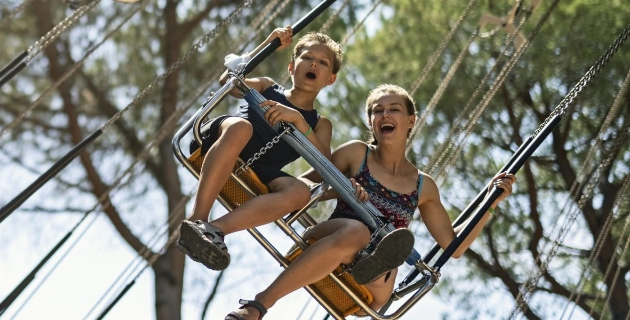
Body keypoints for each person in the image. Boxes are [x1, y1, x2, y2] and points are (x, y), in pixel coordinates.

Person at [220, 84, 516, 320]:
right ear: (371, 122)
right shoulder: (356, 154)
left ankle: (373, 260)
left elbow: (454, 246)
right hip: (330, 239)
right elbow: (306, 185)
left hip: (371, 289)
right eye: (378, 111)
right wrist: (337, 183)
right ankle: (259, 306)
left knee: (379, 248)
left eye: (394, 110)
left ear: (410, 120)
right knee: (358, 232)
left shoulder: (423, 186)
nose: (385, 116)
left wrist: (490, 204)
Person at [177, 28, 341, 270]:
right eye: (306, 57)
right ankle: (198, 218)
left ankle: (214, 230)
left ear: (330, 79)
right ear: (291, 66)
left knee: (301, 193)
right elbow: (228, 82)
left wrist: (298, 120)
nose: (313, 64)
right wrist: (267, 43)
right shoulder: (268, 86)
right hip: (224, 138)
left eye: (322, 62)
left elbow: (324, 164)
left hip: (259, 167)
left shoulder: (319, 123)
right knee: (242, 128)